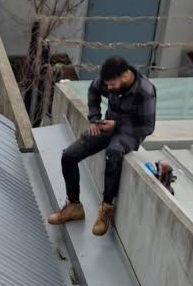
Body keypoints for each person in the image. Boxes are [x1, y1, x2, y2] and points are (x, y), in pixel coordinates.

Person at [48, 56, 157, 237]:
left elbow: (147, 127)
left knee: (113, 152)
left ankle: (106, 209)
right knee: (69, 155)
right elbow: (93, 90)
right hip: (107, 125)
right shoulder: (109, 81)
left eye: (112, 84)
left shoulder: (145, 91)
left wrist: (117, 125)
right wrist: (94, 118)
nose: (109, 88)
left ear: (124, 76)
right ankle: (74, 206)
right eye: (107, 85)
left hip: (130, 132)